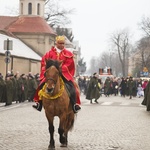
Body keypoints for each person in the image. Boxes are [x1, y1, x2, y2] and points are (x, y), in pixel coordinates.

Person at [32, 35, 81, 113]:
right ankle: (39, 103)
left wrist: (61, 68)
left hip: (63, 74)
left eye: (63, 44)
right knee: (40, 86)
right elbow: (44, 63)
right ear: (56, 43)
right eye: (60, 43)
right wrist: (48, 70)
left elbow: (70, 64)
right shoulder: (49, 53)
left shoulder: (68, 54)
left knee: (73, 87)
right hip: (51, 75)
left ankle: (75, 104)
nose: (62, 45)